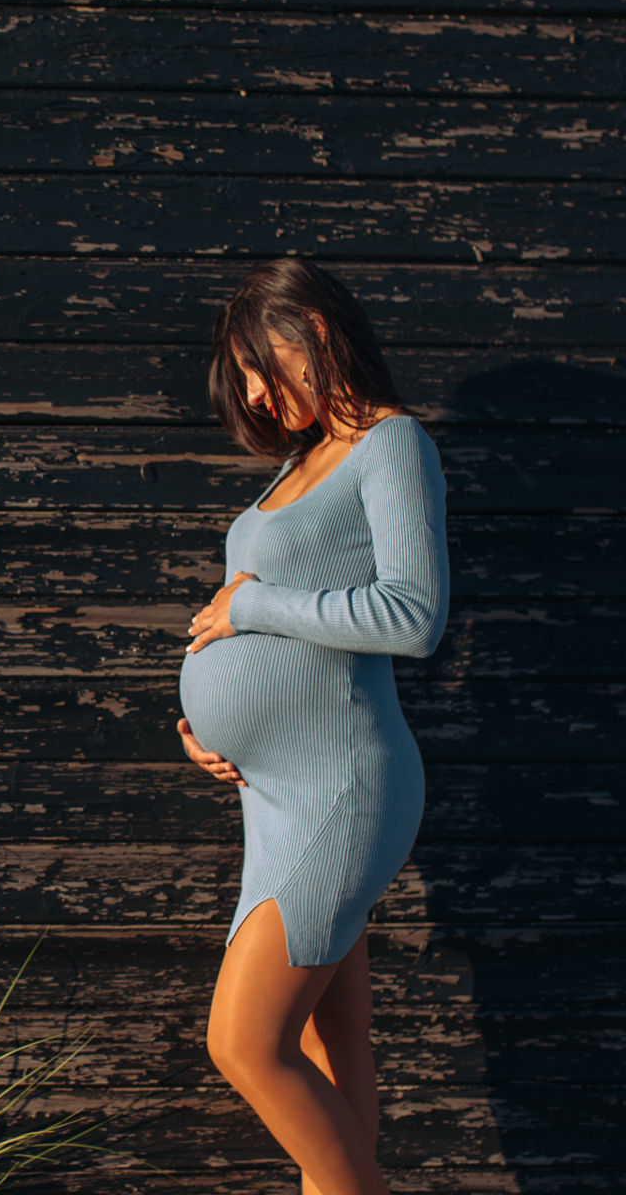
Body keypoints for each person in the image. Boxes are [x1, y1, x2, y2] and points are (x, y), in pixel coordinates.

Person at [176, 257, 450, 1195]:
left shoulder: (392, 444)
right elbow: (252, 621)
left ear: (319, 334)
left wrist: (252, 612)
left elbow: (412, 615)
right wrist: (209, 726)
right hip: (275, 799)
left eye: (264, 363)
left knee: (245, 1045)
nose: (255, 391)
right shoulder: (299, 465)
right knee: (339, 1063)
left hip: (342, 788)